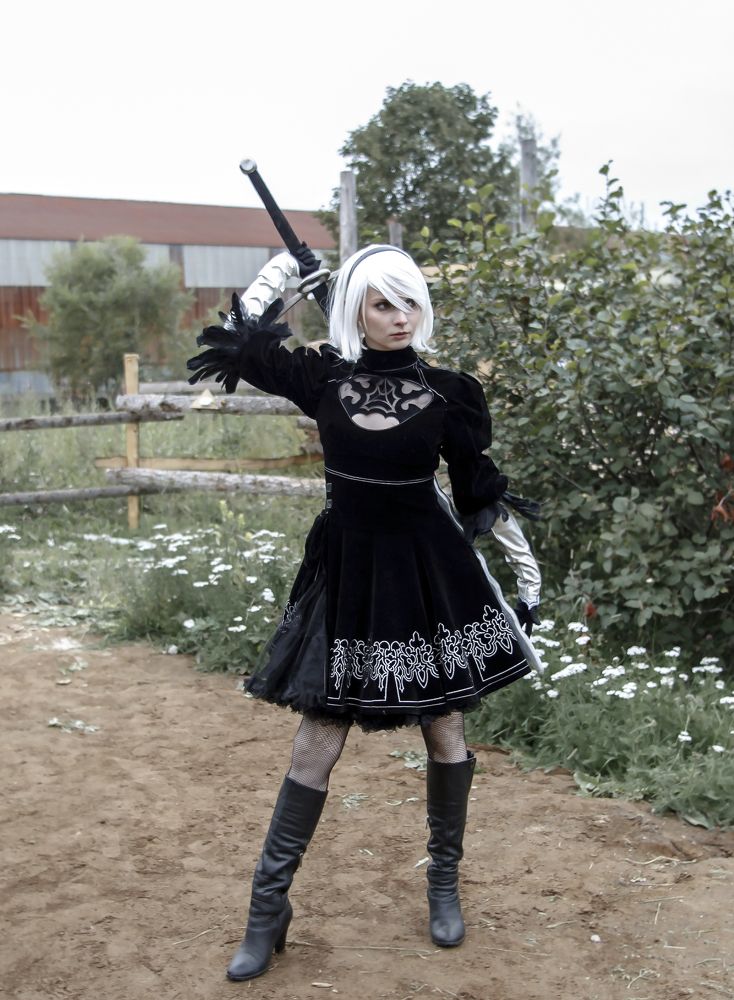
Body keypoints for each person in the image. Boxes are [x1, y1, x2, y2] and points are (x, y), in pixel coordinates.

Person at [187, 244, 542, 983]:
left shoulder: (450, 393)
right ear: (356, 309)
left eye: (409, 302)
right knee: (317, 740)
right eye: (383, 303)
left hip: (427, 577)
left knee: (445, 728)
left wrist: (527, 578)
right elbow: (242, 338)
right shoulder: (323, 378)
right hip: (348, 577)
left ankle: (442, 884)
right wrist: (284, 270)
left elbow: (479, 494)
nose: (400, 317)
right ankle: (266, 911)